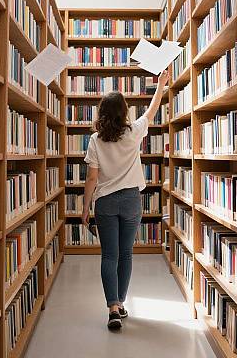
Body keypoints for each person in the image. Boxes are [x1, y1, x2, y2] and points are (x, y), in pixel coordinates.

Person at [82, 70, 169, 330]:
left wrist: (85, 208)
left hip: (105, 202)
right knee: (126, 254)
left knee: (109, 256)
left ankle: (112, 308)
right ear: (124, 111)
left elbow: (91, 178)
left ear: (102, 113)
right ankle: (120, 303)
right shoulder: (134, 132)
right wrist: (161, 85)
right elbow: (152, 111)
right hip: (131, 200)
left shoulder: (95, 140)